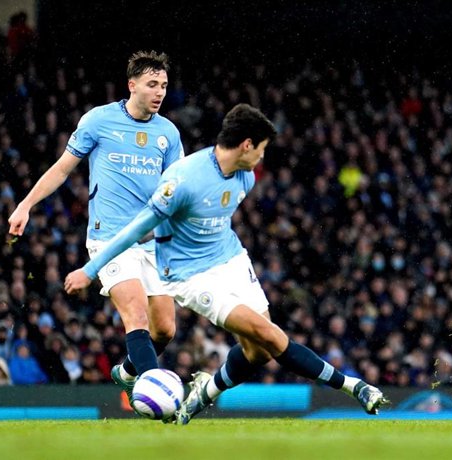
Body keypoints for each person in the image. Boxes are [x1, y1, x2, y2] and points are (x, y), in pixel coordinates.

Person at [64, 103, 389, 424]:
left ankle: (203, 393)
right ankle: (354, 387)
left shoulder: (245, 178)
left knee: (258, 352)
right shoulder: (184, 179)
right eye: (260, 149)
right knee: (270, 335)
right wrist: (89, 270)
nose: (262, 157)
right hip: (191, 276)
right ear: (246, 145)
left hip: (231, 260)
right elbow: (135, 228)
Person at [8, 50, 183, 401]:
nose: (159, 92)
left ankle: (129, 371)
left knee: (164, 329)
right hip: (110, 238)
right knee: (135, 315)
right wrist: (25, 205)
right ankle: (157, 399)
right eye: (152, 84)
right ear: (132, 85)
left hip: (152, 241)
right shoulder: (99, 121)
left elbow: (175, 187)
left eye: (163, 85)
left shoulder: (168, 133)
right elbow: (61, 168)